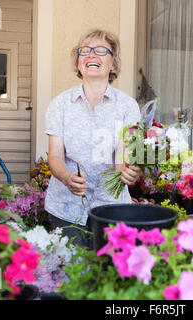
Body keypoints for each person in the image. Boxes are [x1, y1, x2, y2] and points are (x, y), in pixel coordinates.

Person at [44, 29, 143, 247]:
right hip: (66, 208)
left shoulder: (128, 106)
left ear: (113, 64)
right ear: (78, 63)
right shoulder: (59, 105)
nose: (91, 55)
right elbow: (55, 155)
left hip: (111, 209)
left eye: (100, 50)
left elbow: (123, 155)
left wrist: (127, 172)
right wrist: (67, 178)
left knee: (107, 274)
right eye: (85, 51)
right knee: (70, 275)